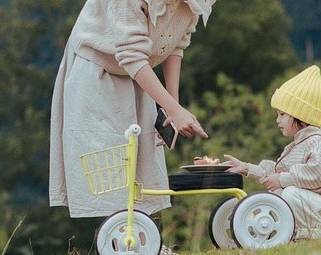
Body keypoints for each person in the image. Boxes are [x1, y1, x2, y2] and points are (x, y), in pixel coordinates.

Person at [49, 0, 215, 219]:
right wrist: (172, 107)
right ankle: (123, 246)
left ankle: (148, 244)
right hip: (98, 70)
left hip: (139, 73)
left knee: (143, 161)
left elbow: (176, 42)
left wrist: (172, 105)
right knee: (110, 166)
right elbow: (130, 54)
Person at [223, 65, 321, 240]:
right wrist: (246, 168)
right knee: (277, 194)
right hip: (317, 204)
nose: (277, 120)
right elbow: (278, 172)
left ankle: (319, 233)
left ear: (300, 115)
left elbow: (315, 174)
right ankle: (271, 232)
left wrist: (282, 180)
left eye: (282, 114)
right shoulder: (296, 146)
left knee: (289, 193)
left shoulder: (317, 144)